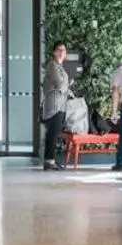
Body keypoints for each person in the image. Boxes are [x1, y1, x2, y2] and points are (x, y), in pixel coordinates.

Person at [40, 41, 71, 169]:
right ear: (54, 52)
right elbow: (59, 83)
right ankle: (49, 161)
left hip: (60, 104)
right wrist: (67, 83)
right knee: (52, 133)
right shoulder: (52, 65)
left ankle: (50, 160)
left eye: (63, 50)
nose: (61, 52)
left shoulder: (59, 66)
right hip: (53, 106)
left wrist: (65, 85)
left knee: (55, 133)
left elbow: (62, 85)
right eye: (59, 50)